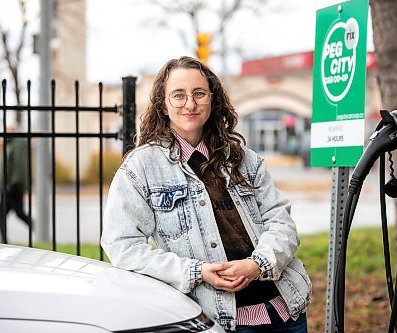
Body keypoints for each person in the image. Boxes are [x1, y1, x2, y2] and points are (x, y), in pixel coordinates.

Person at [101, 56, 311, 332]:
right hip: (219, 321)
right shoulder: (141, 168)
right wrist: (195, 272)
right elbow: (122, 246)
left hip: (286, 313)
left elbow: (281, 223)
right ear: (164, 105)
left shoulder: (244, 159)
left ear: (212, 100)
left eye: (199, 93)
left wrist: (256, 265)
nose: (190, 104)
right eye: (179, 95)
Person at [0, 123, 31, 244]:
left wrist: (14, 184)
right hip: (8, 186)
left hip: (12, 187)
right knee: (11, 213)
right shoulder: (9, 143)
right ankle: (4, 240)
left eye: (9, 129)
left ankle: (4, 241)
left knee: (15, 213)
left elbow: (19, 165)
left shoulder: (18, 143)